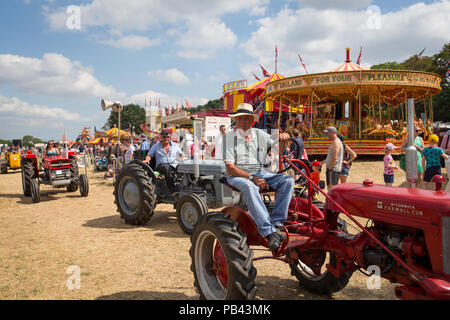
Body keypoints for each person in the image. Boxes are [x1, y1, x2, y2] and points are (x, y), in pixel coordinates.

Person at [223, 103, 294, 251]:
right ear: (236, 120)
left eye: (247, 118)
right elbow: (230, 168)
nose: (244, 122)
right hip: (236, 175)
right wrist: (252, 178)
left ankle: (278, 222)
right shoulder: (229, 138)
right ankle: (268, 231)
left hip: (259, 172)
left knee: (287, 180)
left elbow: (277, 151)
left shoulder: (259, 134)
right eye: (240, 118)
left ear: (252, 121)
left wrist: (283, 140)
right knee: (250, 186)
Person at [143, 129, 184, 193]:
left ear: (170, 137)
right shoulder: (155, 146)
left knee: (183, 167)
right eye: (164, 137)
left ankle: (184, 186)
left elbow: (181, 154)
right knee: (166, 168)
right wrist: (147, 160)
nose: (166, 138)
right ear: (161, 137)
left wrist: (184, 158)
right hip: (161, 166)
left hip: (174, 165)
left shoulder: (175, 145)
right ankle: (172, 189)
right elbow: (149, 155)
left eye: (168, 137)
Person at [321, 126, 343, 191]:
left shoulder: (336, 142)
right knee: (331, 188)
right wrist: (322, 163)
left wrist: (330, 168)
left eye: (328, 133)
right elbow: (330, 157)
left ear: (333, 133)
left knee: (331, 189)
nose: (327, 135)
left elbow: (334, 157)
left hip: (333, 169)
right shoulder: (335, 142)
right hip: (333, 169)